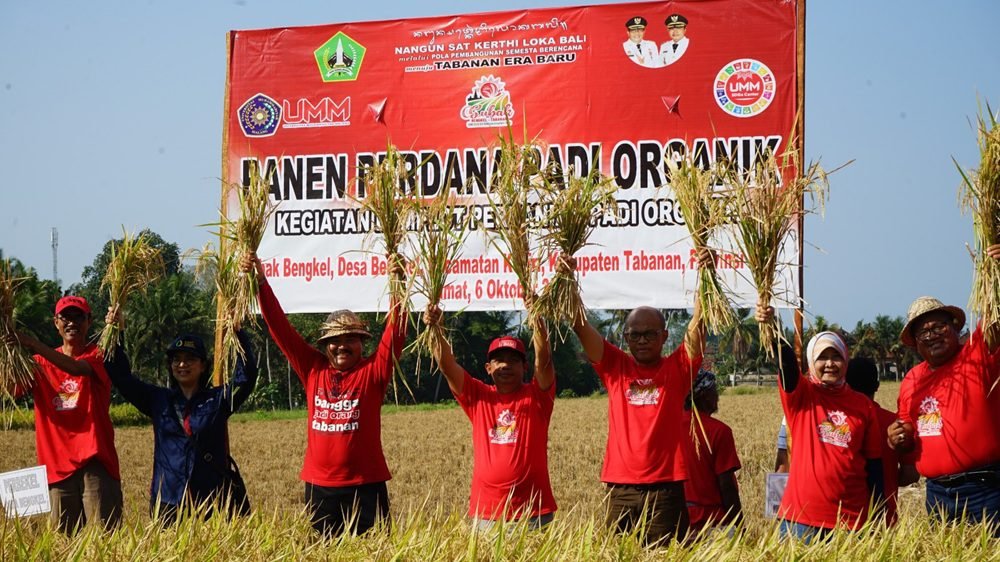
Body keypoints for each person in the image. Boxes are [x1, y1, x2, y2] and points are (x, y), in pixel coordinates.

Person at [242, 251, 407, 536]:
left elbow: (396, 332)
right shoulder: (312, 369)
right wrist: (260, 283)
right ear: (324, 346)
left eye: (350, 340)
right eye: (334, 341)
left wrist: (398, 284)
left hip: (365, 485)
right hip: (320, 488)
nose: (342, 346)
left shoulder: (373, 372)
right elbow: (281, 329)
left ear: (362, 344)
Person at [566, 255, 706, 544]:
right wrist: (568, 281)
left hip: (665, 488)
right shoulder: (615, 366)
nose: (642, 340)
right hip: (620, 488)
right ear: (626, 337)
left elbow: (699, 323)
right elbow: (580, 325)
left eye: (650, 334)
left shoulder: (678, 368)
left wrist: (706, 274)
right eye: (635, 335)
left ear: (665, 336)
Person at [103, 309, 257, 524]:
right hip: (168, 500)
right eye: (177, 360)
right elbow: (121, 376)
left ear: (203, 365)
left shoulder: (219, 400)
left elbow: (246, 377)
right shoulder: (157, 399)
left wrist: (237, 332)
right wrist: (115, 331)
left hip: (212, 500)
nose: (182, 365)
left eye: (190, 359)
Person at [888, 246, 1000, 532]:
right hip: (937, 495)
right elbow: (909, 438)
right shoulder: (912, 380)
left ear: (954, 326)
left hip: (985, 489)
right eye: (923, 332)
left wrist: (996, 275)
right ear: (915, 342)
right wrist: (896, 439)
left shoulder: (977, 355)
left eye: (938, 327)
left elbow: (996, 315)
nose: (932, 335)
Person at [424, 300, 557, 529]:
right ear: (488, 368)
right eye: (498, 360)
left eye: (514, 360)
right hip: (487, 514)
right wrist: (437, 329)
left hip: (533, 512)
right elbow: (447, 365)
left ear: (525, 367)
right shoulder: (478, 397)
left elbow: (543, 360)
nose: (505, 365)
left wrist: (536, 318)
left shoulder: (538, 396)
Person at [757, 307, 883, 543]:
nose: (830, 364)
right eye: (822, 357)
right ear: (810, 361)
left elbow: (874, 467)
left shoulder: (862, 406)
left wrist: (878, 516)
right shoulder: (802, 396)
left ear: (846, 360)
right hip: (801, 522)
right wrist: (772, 327)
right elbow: (786, 364)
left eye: (836, 357)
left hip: (851, 522)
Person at [7, 295, 122, 533]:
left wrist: (33, 343)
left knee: (106, 540)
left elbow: (77, 368)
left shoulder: (99, 356)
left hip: (95, 462)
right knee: (63, 544)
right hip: (56, 469)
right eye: (65, 317)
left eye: (78, 316)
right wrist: (6, 350)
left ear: (89, 321)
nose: (72, 322)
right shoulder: (37, 366)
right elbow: (10, 389)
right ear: (55, 323)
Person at [845, 356, 919, 527]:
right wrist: (890, 479)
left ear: (846, 384)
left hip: (843, 519)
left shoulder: (838, 422)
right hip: (884, 517)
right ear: (877, 385)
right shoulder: (895, 423)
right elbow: (911, 474)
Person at [681, 369, 742, 534]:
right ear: (705, 395)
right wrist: (739, 524)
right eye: (714, 391)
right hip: (712, 522)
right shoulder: (719, 431)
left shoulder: (669, 427)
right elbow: (726, 485)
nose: (718, 397)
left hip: (677, 521)